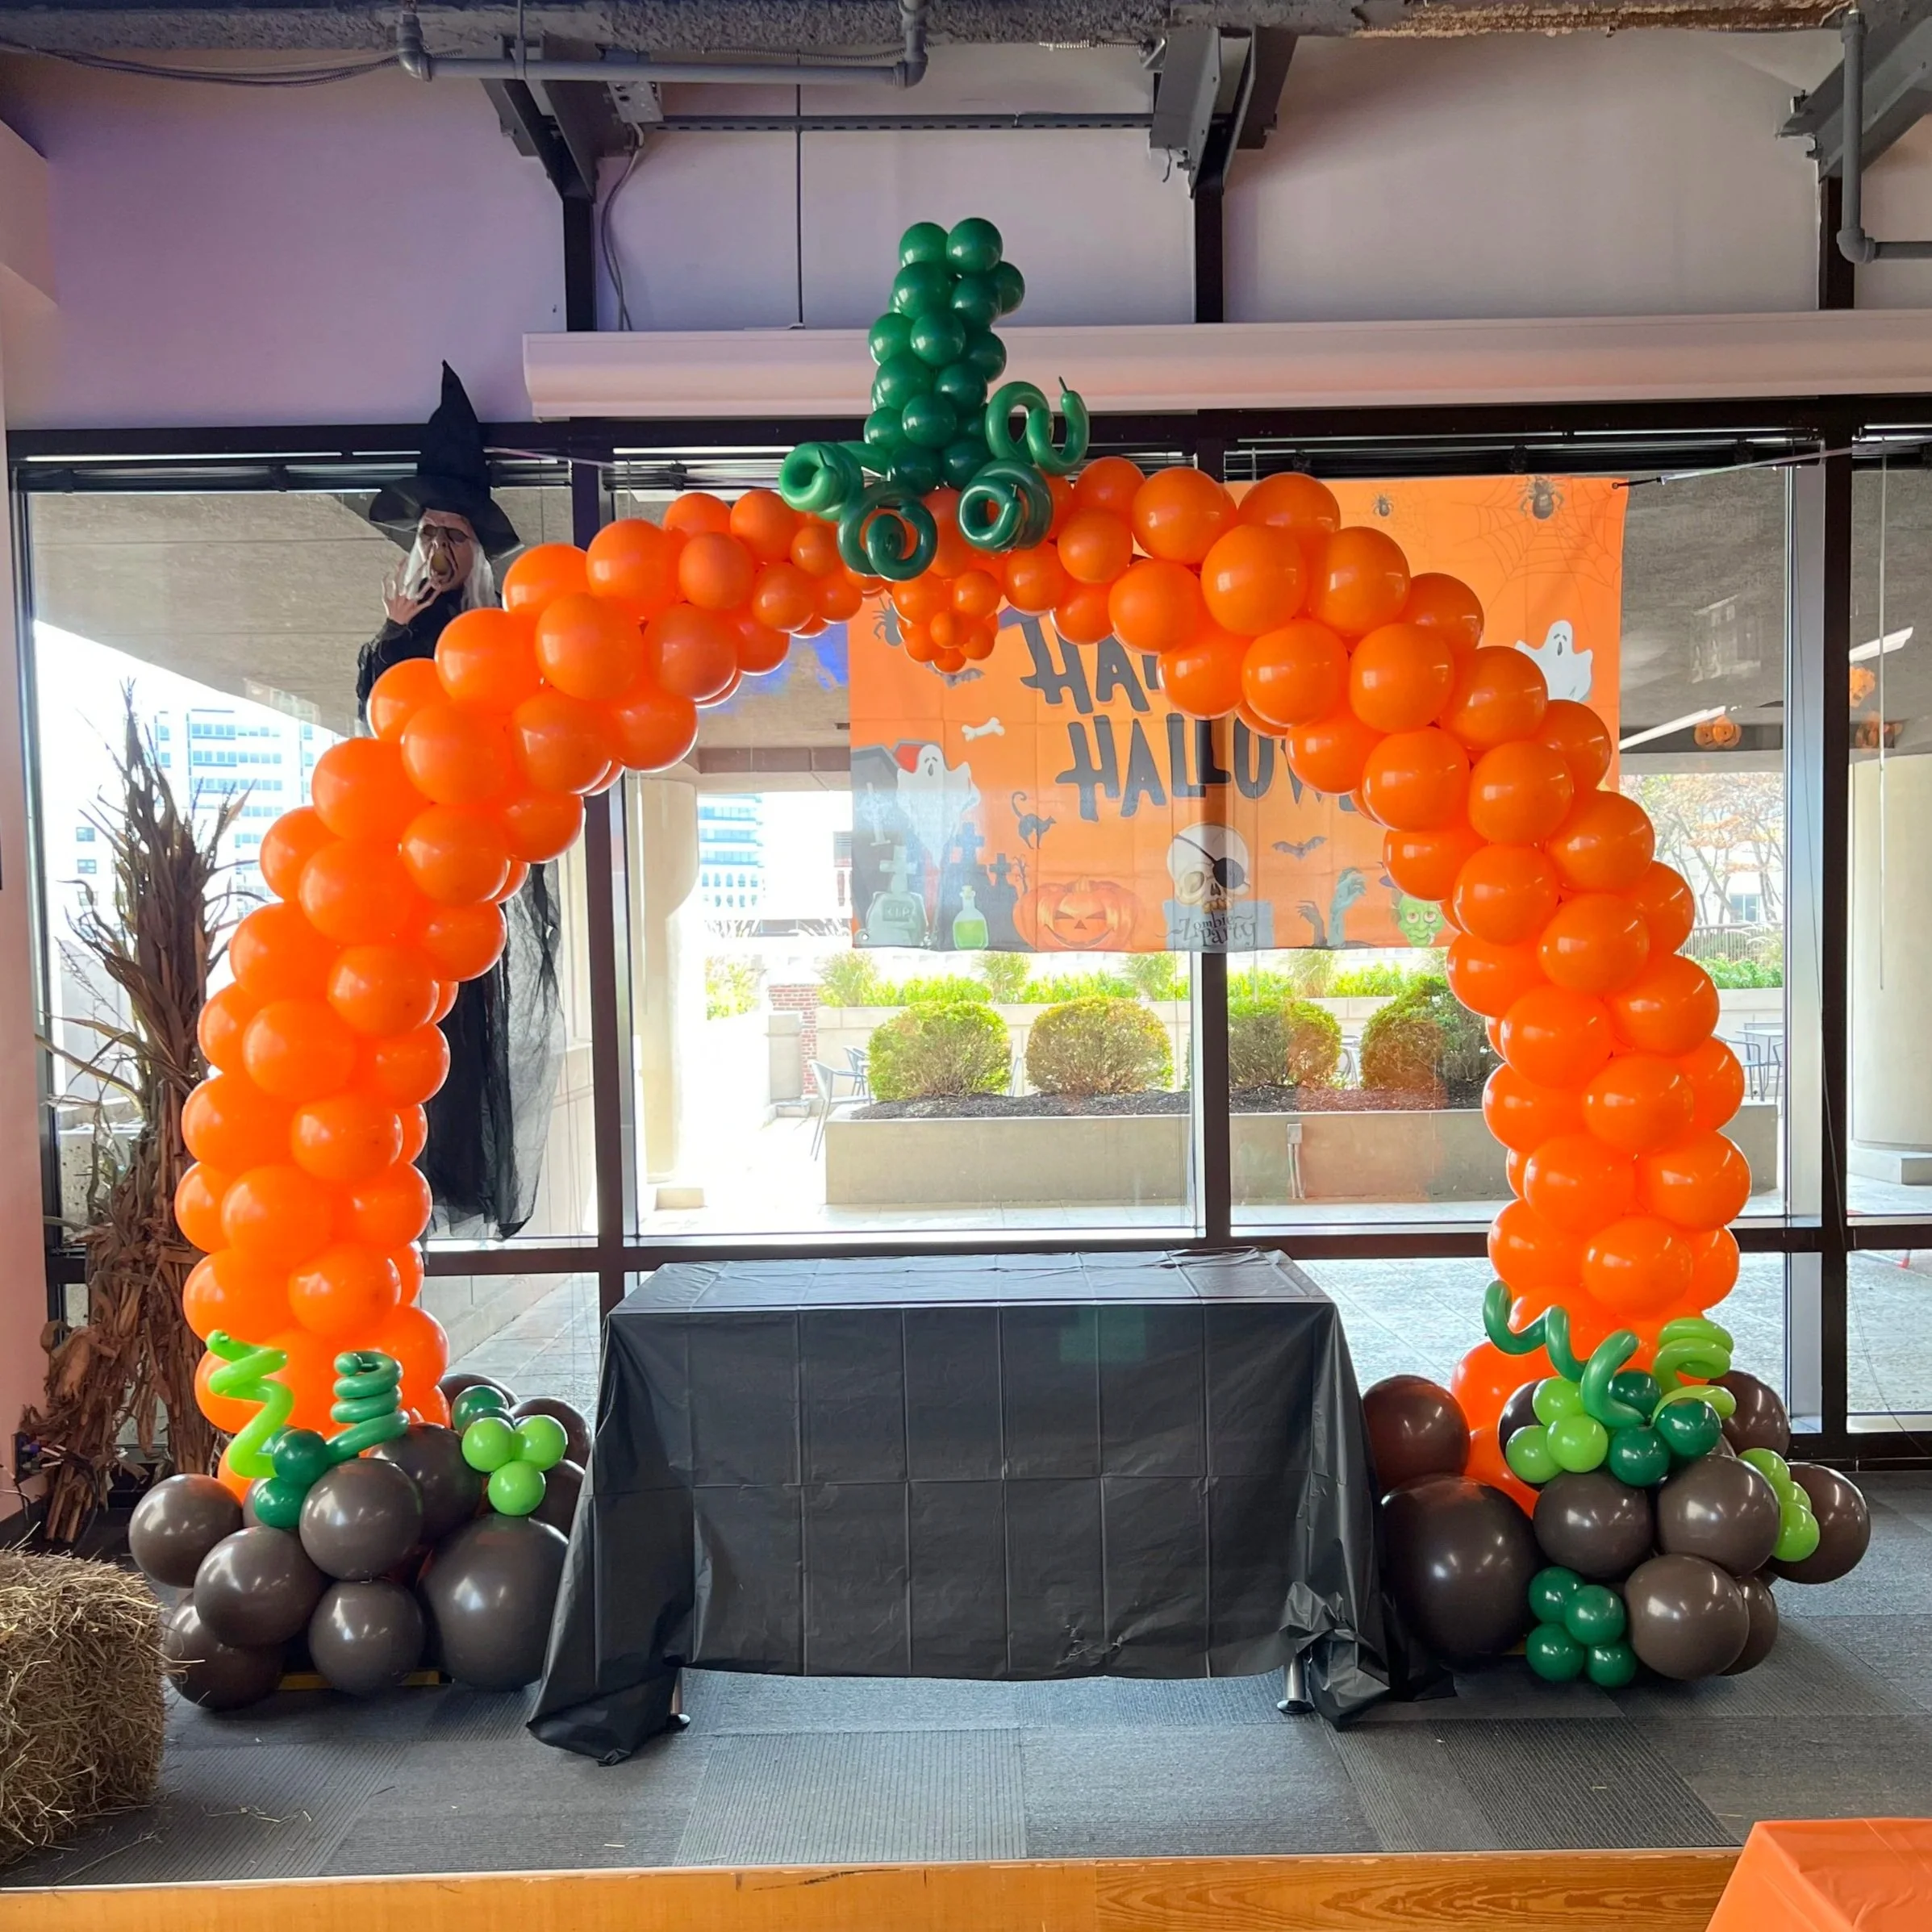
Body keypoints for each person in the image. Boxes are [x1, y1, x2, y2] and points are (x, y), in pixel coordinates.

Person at [357, 365, 563, 1238]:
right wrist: (401, 626)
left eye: (457, 535)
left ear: (478, 547)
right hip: (402, 863)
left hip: (469, 866)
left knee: (469, 1027)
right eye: (432, 532)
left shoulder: (496, 634)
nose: (442, 547)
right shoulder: (397, 635)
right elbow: (372, 725)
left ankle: (456, 1173)